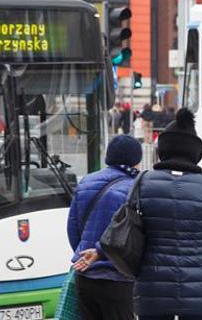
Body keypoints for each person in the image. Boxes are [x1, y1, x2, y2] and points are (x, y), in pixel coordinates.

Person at [78, 108, 202, 320]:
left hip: (153, 283)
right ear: (195, 153)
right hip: (199, 288)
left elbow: (123, 226)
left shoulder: (144, 182)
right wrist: (200, 263)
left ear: (162, 149)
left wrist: (100, 250)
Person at [67, 134, 141, 320]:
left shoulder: (86, 182)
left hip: (85, 275)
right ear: (135, 160)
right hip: (118, 278)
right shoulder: (134, 188)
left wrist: (84, 252)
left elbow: (73, 230)